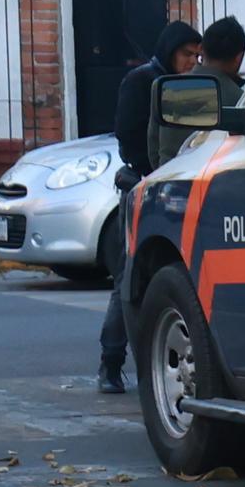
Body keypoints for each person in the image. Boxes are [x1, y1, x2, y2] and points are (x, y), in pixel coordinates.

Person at [94, 19, 203, 393]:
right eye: (187, 54)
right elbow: (128, 137)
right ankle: (111, 362)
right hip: (144, 187)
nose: (192, 61)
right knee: (127, 279)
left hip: (179, 188)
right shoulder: (141, 82)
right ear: (170, 50)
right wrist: (151, 168)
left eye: (197, 55)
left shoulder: (190, 86)